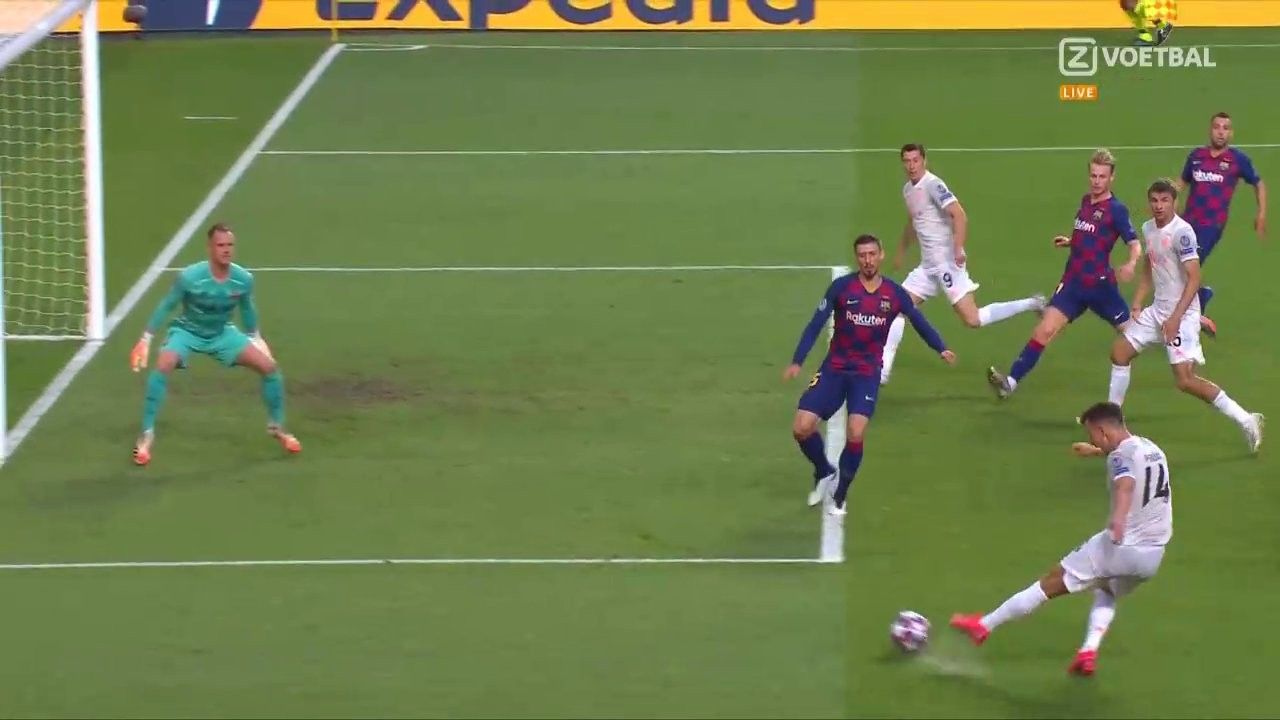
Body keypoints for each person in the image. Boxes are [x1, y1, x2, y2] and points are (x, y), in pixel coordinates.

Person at [951, 401, 1172, 677]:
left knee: (1050, 582)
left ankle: (984, 625)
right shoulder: (1150, 448)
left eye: (1092, 435)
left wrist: (1118, 518)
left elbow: (1125, 483)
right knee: (1107, 590)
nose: (1092, 439)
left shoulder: (1118, 458)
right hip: (1153, 556)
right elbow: (1130, 464)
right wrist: (1094, 451)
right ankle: (1088, 652)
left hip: (1121, 545)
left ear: (1103, 431)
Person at [784, 234, 956, 516]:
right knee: (801, 428)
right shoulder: (842, 288)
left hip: (866, 373)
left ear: (881, 255)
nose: (868, 260)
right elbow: (816, 323)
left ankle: (840, 494)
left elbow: (918, 321)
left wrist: (940, 347)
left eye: (872, 254)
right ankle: (824, 470)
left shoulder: (894, 294)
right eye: (862, 255)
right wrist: (797, 360)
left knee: (856, 432)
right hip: (835, 368)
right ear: (857, 258)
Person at [1105, 179, 1263, 452]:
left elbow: (1194, 279)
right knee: (1119, 353)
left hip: (1182, 314)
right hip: (1158, 311)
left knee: (1185, 380)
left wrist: (1177, 318)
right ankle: (1112, 422)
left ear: (1174, 202)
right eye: (1154, 200)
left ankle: (1247, 419)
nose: (1159, 206)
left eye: (1164, 200)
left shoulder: (1183, 233)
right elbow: (1150, 266)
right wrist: (1138, 303)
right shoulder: (1149, 228)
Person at [129, 223, 301, 466]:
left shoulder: (243, 279)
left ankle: (277, 426)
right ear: (210, 248)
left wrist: (255, 338)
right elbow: (167, 305)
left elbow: (247, 309)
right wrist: (146, 338)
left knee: (270, 368)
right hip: (187, 332)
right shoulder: (190, 277)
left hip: (222, 333)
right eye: (221, 245)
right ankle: (146, 434)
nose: (226, 250)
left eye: (230, 245)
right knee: (163, 364)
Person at [880, 143, 1044, 385]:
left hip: (947, 264)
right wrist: (902, 251)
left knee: (972, 319)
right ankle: (883, 372)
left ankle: (1032, 303)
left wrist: (957, 248)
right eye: (907, 161)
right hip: (927, 267)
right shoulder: (908, 190)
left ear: (924, 160)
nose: (911, 165)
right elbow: (914, 220)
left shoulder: (933, 185)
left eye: (916, 160)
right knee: (895, 309)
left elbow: (959, 214)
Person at [987, 149, 1141, 399]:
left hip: (1101, 287)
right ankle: (1010, 383)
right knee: (1044, 330)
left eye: (1102, 176)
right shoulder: (1085, 201)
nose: (1096, 181)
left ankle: (1180, 335)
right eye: (1093, 175)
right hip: (1073, 284)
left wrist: (1131, 263)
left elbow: (1134, 243)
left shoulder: (1117, 210)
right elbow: (1090, 234)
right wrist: (1072, 241)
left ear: (1112, 177)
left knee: (1136, 335)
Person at [1175, 111, 1268, 337]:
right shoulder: (1196, 156)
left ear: (1231, 133)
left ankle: (1191, 317)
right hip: (1187, 222)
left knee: (1188, 264)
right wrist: (1169, 203)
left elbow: (1259, 183)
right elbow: (1181, 182)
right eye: (1217, 127)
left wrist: (1261, 213)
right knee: (1176, 264)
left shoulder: (1237, 160)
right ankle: (1201, 296)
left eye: (1225, 128)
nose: (1220, 132)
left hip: (1211, 226)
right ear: (1210, 129)